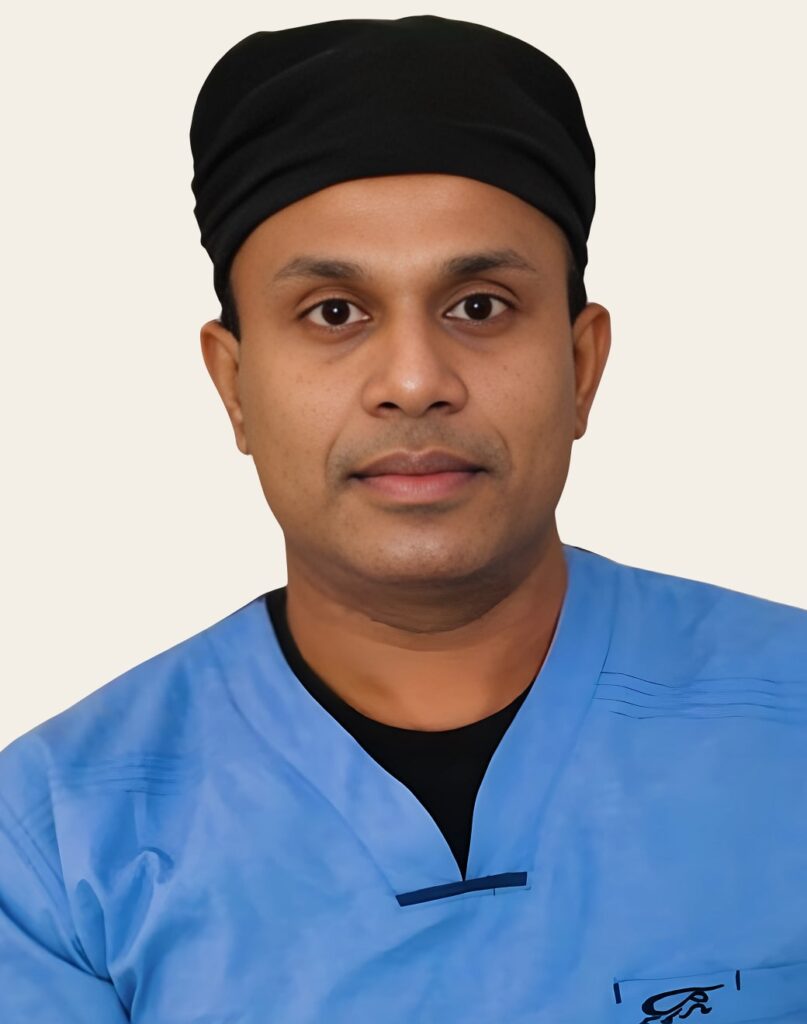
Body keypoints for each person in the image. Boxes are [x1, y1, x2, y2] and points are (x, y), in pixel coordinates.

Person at [1, 14, 806, 1023]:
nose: (416, 381)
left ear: (581, 364)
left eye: (479, 305)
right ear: (236, 384)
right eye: (335, 312)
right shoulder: (51, 845)